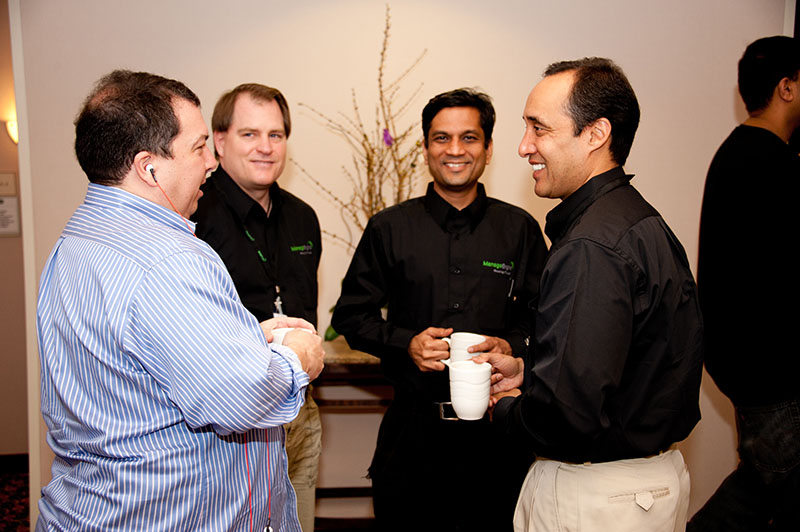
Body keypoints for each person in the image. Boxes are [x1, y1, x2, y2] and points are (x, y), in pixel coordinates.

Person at [36, 70, 324, 531]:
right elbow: (240, 397)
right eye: (199, 147)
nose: (210, 162)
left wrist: (246, 339)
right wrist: (298, 359)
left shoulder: (77, 239)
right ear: (149, 167)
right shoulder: (168, 256)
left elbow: (143, 355)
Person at [480, 58, 704, 531]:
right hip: (647, 486)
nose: (524, 146)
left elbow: (566, 417)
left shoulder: (591, 246)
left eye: (539, 128)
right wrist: (530, 370)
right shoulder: (640, 221)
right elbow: (627, 362)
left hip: (598, 496)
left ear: (596, 134)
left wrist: (509, 408)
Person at [331, 88, 548, 532]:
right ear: (425, 147)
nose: (455, 150)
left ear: (488, 148)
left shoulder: (520, 229)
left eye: (469, 138)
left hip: (499, 440)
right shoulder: (389, 228)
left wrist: (511, 344)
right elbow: (351, 316)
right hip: (412, 440)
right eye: (441, 138)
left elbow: (545, 318)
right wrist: (404, 343)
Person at [191, 84, 322, 532]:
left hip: (300, 409)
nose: (265, 147)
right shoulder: (194, 217)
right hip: (230, 422)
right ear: (219, 141)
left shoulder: (303, 217)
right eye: (249, 134)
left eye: (276, 135)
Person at [688, 36, 800, 531]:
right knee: (772, 486)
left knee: (764, 482)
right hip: (774, 367)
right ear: (786, 88)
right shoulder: (773, 163)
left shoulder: (736, 153)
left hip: (747, 361)